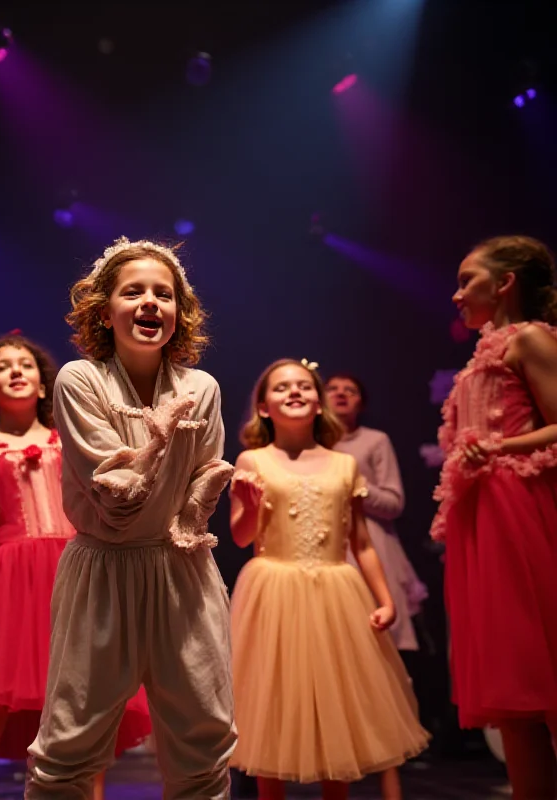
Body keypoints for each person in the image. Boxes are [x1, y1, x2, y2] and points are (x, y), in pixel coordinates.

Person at [26, 237, 237, 799]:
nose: (150, 302)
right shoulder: (79, 380)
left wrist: (194, 499)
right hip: (105, 568)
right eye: (134, 291)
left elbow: (202, 483)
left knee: (205, 734)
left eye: (163, 294)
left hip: (181, 569)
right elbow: (116, 500)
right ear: (104, 309)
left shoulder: (202, 388)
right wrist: (161, 441)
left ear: (179, 311)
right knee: (71, 740)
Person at [0, 332, 150, 800]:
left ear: (41, 385)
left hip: (72, 568)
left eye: (25, 365)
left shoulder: (67, 436)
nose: (15, 371)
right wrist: (3, 512)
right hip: (10, 578)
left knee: (85, 699)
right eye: (2, 366)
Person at [229, 358, 429, 800]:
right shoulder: (252, 459)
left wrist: (385, 599)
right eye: (282, 388)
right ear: (263, 407)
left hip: (335, 593)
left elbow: (361, 542)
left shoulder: (344, 464)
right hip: (274, 591)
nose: (295, 392)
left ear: (319, 402)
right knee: (272, 706)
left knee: (335, 711)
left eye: (304, 385)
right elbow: (243, 537)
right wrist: (248, 502)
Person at [432, 235, 557, 799]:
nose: (458, 294)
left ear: (504, 283)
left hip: (521, 512)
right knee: (515, 697)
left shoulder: (530, 338)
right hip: (481, 518)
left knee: (544, 671)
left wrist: (501, 448)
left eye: (468, 280)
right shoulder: (482, 352)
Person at [326, 374, 428, 653]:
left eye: (351, 390)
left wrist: (352, 483)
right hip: (323, 543)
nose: (341, 393)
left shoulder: (374, 440)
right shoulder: (310, 445)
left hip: (369, 543)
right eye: (333, 388)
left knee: (376, 637)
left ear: (361, 403)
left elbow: (394, 503)